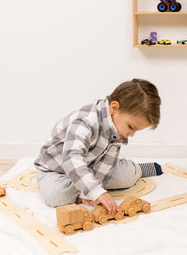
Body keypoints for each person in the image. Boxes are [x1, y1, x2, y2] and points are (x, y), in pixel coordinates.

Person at [34, 78, 162, 215]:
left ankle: (138, 170)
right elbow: (72, 158)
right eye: (131, 127)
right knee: (57, 196)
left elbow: (105, 165)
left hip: (93, 164)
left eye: (136, 131)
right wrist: (95, 191)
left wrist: (91, 191)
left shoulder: (117, 128)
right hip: (57, 170)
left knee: (125, 178)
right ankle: (84, 186)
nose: (131, 134)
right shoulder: (85, 121)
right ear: (114, 108)